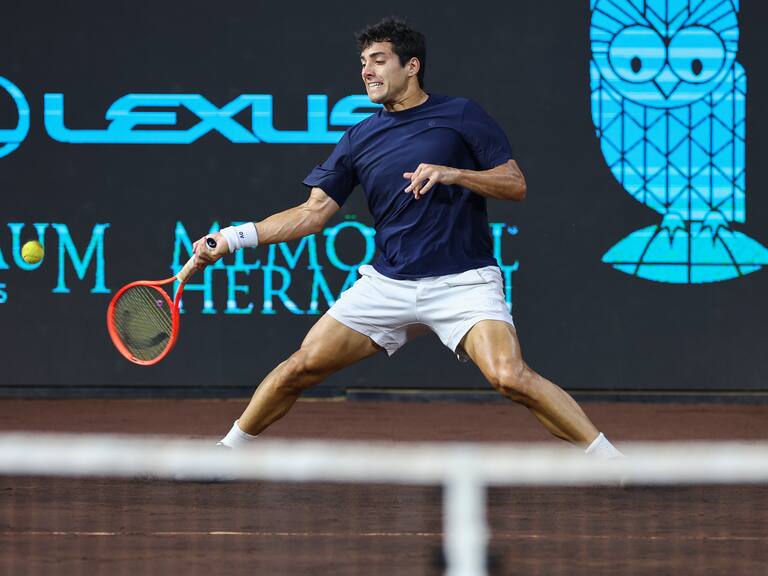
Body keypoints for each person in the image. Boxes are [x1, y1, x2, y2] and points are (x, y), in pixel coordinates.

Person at [193, 17, 622, 459]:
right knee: (299, 367)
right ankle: (228, 450)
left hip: (463, 282)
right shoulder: (359, 137)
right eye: (363, 63)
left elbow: (515, 184)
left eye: (379, 60)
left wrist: (453, 173)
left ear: (412, 65)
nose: (367, 71)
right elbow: (312, 213)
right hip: (388, 285)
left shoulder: (460, 115)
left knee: (509, 375)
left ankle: (613, 462)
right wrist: (231, 238)